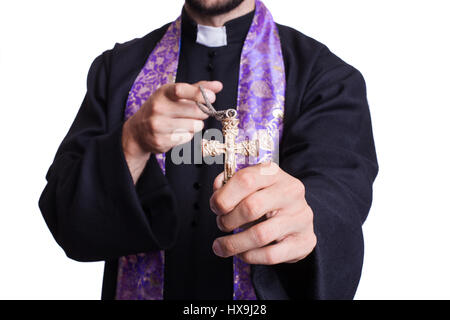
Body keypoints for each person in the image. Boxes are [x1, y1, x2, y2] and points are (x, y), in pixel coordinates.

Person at [39, 0, 378, 300]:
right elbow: (66, 219)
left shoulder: (326, 76)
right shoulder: (117, 70)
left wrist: (309, 220)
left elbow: (339, 194)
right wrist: (132, 141)